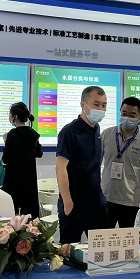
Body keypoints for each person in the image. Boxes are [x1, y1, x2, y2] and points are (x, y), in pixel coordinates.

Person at [56, 86, 109, 244]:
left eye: (104, 105)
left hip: (96, 203)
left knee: (101, 251)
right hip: (73, 203)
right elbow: (60, 168)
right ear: (83, 104)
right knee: (69, 252)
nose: (100, 109)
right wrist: (67, 202)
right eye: (96, 104)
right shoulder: (69, 132)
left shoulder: (96, 129)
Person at [101, 97, 140, 228]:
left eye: (132, 115)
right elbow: (95, 164)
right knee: (104, 237)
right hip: (106, 198)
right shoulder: (106, 134)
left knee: (129, 239)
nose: (127, 118)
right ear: (120, 112)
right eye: (124, 113)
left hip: (131, 201)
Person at [2, 102, 43, 217]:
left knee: (13, 214)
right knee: (29, 216)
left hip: (14, 181)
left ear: (15, 116)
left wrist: (6, 143)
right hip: (29, 181)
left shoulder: (11, 134)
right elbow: (39, 153)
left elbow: (6, 159)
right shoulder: (33, 133)